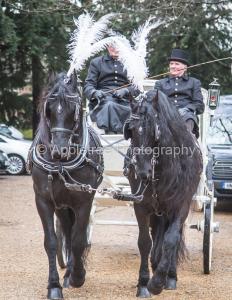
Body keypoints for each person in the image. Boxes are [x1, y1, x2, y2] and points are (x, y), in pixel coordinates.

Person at [84, 44, 138, 133]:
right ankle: (116, 132)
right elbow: (88, 86)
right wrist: (94, 92)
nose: (115, 49)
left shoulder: (129, 64)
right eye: (112, 46)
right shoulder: (97, 62)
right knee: (110, 105)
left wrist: (126, 90)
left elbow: (137, 87)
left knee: (135, 110)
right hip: (102, 102)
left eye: (117, 46)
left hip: (125, 101)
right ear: (108, 47)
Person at [155, 48, 205, 138]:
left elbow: (199, 106)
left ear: (185, 67)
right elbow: (154, 103)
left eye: (177, 64)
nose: (173, 66)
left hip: (186, 117)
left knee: (189, 119)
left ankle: (187, 145)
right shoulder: (160, 83)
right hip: (165, 116)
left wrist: (186, 109)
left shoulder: (194, 82)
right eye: (171, 64)